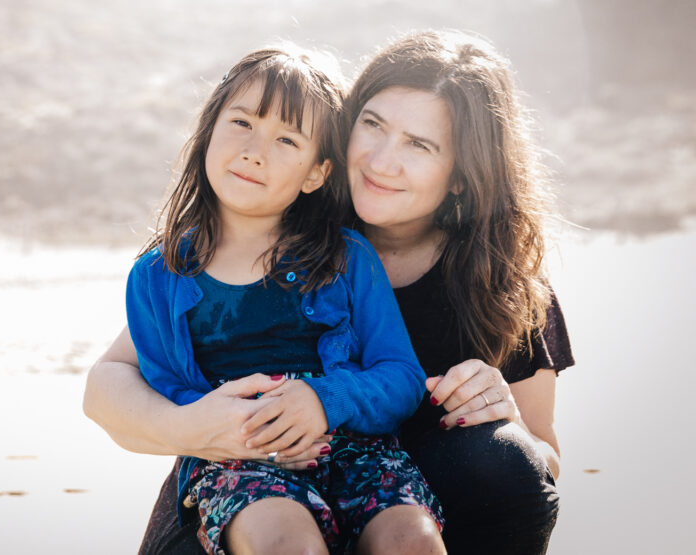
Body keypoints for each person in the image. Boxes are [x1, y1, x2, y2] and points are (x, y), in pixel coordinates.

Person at [83, 30, 574, 555]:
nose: (382, 161)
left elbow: (543, 458)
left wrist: (511, 423)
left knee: (501, 467)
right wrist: (197, 427)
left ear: (461, 175)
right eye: (373, 125)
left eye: (419, 144)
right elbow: (114, 381)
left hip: (383, 482)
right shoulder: (266, 221)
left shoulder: (499, 283)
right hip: (244, 486)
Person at [121, 45, 444, 555]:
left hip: (357, 448)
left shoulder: (349, 259)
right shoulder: (155, 277)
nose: (255, 150)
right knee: (286, 544)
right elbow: (168, 388)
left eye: (287, 139)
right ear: (208, 130)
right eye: (243, 122)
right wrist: (247, 429)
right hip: (237, 461)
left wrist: (323, 401)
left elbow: (400, 376)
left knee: (412, 542)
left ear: (317, 173)